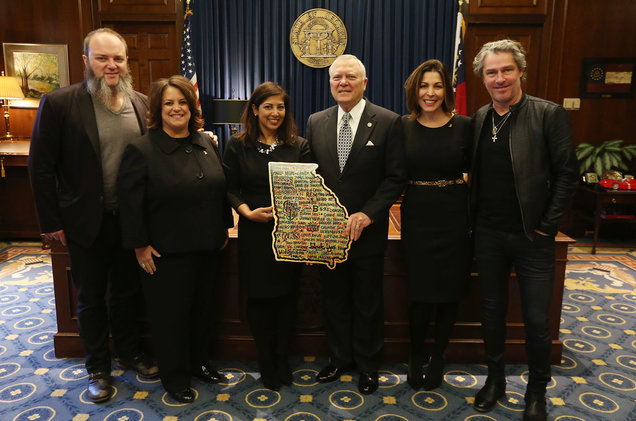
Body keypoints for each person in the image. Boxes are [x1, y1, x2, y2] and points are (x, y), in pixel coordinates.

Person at [28, 28, 158, 403]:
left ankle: (131, 352)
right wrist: (51, 222)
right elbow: (40, 167)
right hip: (84, 221)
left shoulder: (140, 103)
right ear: (86, 61)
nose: (111, 65)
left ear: (126, 62)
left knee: (128, 292)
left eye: (118, 58)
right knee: (89, 297)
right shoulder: (59, 103)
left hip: (130, 220)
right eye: (102, 58)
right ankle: (97, 366)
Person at [470, 40, 578, 421]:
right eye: (491, 72)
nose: (499, 78)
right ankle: (495, 380)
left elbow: (567, 174)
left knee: (536, 320)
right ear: (482, 78)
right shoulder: (481, 116)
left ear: (520, 72)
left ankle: (536, 392)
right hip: (488, 235)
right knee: (493, 312)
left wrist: (547, 227)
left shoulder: (548, 114)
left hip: (533, 238)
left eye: (506, 70)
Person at [116, 75, 233, 404]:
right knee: (172, 319)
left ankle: (198, 363)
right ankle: (176, 377)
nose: (177, 108)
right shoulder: (141, 149)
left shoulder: (206, 142)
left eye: (182, 102)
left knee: (202, 312)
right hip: (165, 254)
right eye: (169, 103)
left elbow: (218, 187)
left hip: (208, 247)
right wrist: (139, 245)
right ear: (158, 108)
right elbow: (130, 203)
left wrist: (224, 228)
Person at [306, 54, 407, 395]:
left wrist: (368, 213)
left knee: (367, 301)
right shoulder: (316, 121)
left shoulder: (389, 121)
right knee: (333, 298)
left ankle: (367, 365)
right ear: (330, 83)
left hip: (368, 230)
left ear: (365, 83)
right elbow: (311, 176)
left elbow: (395, 177)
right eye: (337, 78)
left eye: (350, 77)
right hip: (329, 234)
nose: (343, 82)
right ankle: (339, 359)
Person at [223, 82, 311, 391]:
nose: (275, 112)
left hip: (291, 233)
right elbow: (229, 187)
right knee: (259, 300)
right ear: (256, 109)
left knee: (287, 298)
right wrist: (246, 212)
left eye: (281, 106)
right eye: (269, 106)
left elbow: (310, 188)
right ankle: (266, 360)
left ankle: (281, 357)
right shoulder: (238, 145)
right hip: (254, 233)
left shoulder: (298, 145)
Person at [401, 59, 472, 391]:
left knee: (447, 295)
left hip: (454, 217)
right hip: (417, 217)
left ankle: (438, 357)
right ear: (415, 90)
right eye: (424, 86)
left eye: (438, 86)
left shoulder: (465, 127)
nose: (430, 93)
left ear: (447, 91)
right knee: (419, 294)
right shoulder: (402, 126)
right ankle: (416, 356)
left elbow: (479, 175)